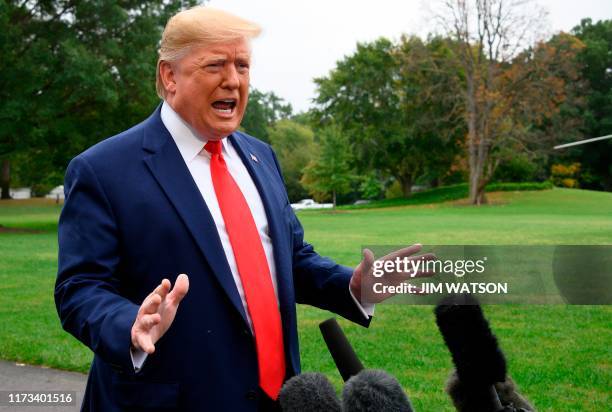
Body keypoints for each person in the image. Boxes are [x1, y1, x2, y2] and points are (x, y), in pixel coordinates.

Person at [55, 6, 431, 411]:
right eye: (215, 64)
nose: (233, 80)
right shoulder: (103, 170)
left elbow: (291, 259)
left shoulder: (260, 156)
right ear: (169, 76)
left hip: (279, 398)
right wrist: (128, 323)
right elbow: (80, 288)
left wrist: (352, 286)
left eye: (242, 65)